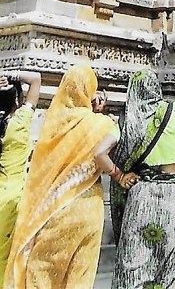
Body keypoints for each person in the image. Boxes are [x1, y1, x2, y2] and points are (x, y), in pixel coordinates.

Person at [4, 63, 133, 289]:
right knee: (80, 274)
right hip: (89, 208)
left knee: (43, 271)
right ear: (89, 91)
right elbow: (101, 149)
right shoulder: (102, 124)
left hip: (54, 208)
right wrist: (118, 175)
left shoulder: (53, 123)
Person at [110, 49, 175, 289]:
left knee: (134, 262)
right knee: (169, 259)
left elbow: (108, 151)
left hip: (140, 193)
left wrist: (119, 176)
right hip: (170, 195)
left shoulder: (130, 123)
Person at [0, 70, 41, 285]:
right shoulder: (20, 123)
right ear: (17, 100)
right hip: (13, 198)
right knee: (9, 258)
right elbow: (36, 79)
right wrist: (9, 75)